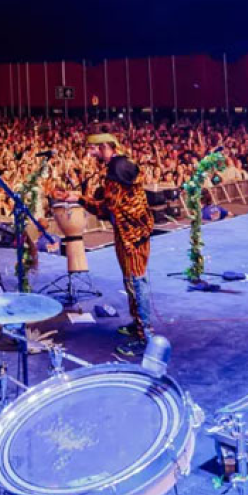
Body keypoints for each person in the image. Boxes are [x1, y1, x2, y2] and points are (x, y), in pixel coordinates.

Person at [54, 133, 155, 357]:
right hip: (129, 230)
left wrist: (79, 199)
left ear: (104, 147)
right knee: (130, 280)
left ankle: (145, 336)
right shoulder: (121, 164)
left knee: (136, 282)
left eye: (92, 149)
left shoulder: (115, 172)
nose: (90, 153)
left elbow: (106, 208)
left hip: (132, 234)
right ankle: (137, 324)